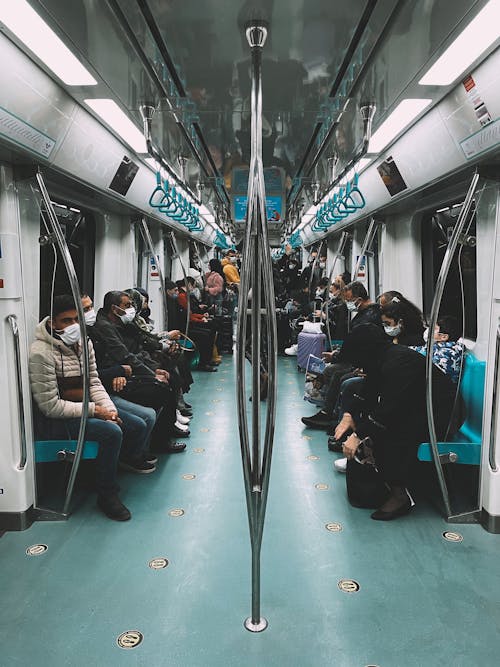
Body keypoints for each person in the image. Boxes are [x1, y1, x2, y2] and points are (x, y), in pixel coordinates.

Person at [29, 295, 152, 522]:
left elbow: (93, 381)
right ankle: (106, 494)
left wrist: (108, 409)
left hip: (84, 406)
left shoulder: (83, 343)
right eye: (66, 321)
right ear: (53, 322)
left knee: (133, 424)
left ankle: (106, 470)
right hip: (57, 419)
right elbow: (50, 406)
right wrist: (97, 412)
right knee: (111, 432)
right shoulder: (41, 353)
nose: (74, 326)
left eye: (77, 319)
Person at [337, 324, 459, 520]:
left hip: (444, 414)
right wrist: (349, 414)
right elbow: (367, 393)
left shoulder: (399, 363)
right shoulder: (381, 358)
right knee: (377, 425)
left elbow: (390, 409)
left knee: (389, 431)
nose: (358, 365)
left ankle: (399, 494)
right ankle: (386, 483)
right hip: (421, 408)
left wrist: (359, 435)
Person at [90, 291, 188, 450]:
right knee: (162, 390)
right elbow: (124, 355)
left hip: (127, 369)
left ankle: (167, 429)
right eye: (126, 305)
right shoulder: (105, 327)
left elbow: (138, 346)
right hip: (117, 375)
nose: (131, 309)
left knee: (170, 377)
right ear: (115, 309)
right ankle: (159, 441)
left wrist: (154, 369)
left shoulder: (121, 323)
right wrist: (152, 374)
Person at [412, 315, 464, 384]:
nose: (429, 330)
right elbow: (418, 350)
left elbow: (433, 377)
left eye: (434, 329)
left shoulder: (447, 353)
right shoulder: (435, 346)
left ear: (444, 337)